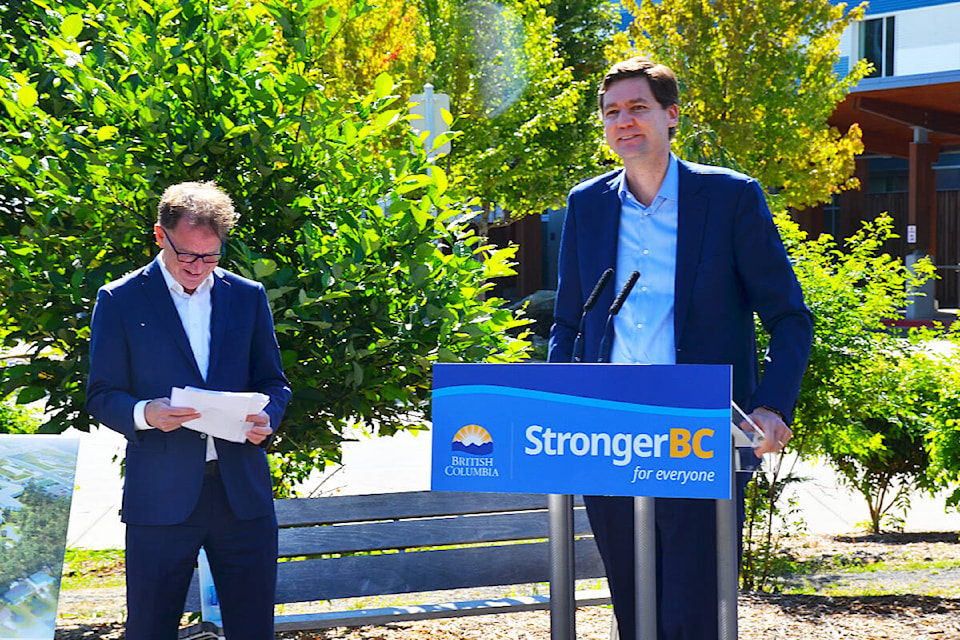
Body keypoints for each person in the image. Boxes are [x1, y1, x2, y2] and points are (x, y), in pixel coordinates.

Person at [548, 57, 813, 640]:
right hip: (608, 430)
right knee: (633, 609)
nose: (624, 121)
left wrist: (772, 406)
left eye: (638, 107)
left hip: (700, 428)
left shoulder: (729, 197)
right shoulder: (586, 204)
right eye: (612, 112)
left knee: (693, 612)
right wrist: (558, 400)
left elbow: (791, 317)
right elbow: (569, 322)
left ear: (671, 117)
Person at [86, 181, 291, 640]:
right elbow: (101, 394)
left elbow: (273, 382)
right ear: (161, 235)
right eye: (188, 256)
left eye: (211, 256)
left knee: (254, 629)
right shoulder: (119, 300)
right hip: (160, 497)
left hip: (242, 495)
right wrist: (144, 413)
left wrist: (268, 417)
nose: (198, 267)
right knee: (150, 629)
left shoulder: (247, 295)